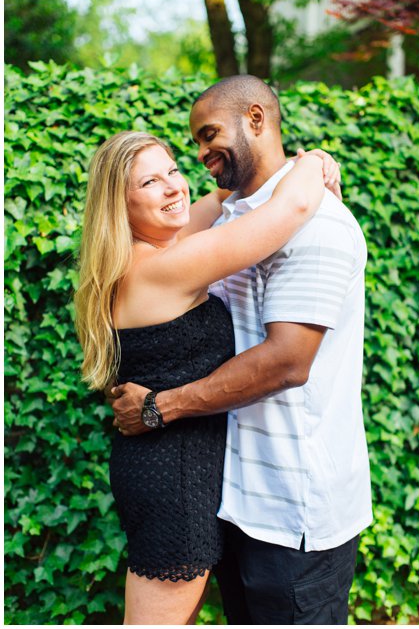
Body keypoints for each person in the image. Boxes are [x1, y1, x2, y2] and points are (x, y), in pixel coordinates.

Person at [109, 75, 372, 625]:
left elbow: (287, 362)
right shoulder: (199, 243)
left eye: (206, 137)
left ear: (256, 119)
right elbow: (277, 207)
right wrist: (309, 164)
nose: (198, 156)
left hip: (292, 513)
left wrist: (162, 406)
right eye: (151, 181)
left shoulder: (313, 225)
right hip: (232, 502)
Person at [74, 129, 336, 623]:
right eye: (149, 182)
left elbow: (221, 196)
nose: (174, 187)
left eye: (173, 170)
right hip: (176, 480)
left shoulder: (147, 252)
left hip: (170, 466)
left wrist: (268, 174)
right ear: (119, 204)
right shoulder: (162, 267)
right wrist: (313, 160)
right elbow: (288, 212)